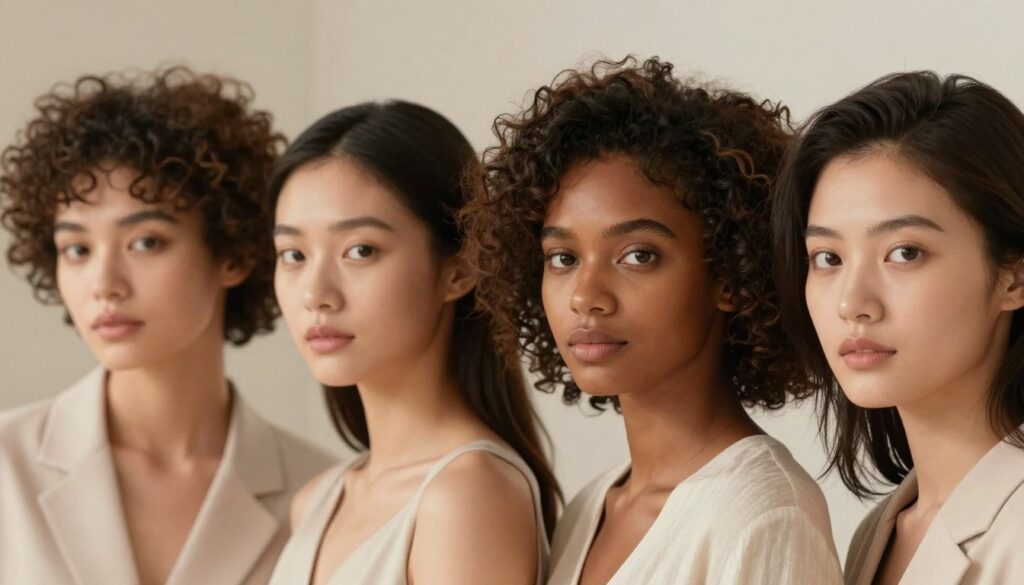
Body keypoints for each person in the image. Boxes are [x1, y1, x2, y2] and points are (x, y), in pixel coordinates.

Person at [462, 56, 842, 585]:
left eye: (637, 255)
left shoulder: (763, 515)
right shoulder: (590, 508)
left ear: (730, 273)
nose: (585, 297)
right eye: (563, 259)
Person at [0, 68, 335, 585]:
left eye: (146, 242)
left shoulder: (321, 491)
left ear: (233, 253)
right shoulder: (7, 465)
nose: (104, 283)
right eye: (77, 249)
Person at [267, 101, 559, 585]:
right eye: (293, 254)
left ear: (459, 268)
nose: (315, 294)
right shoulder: (317, 500)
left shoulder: (468, 495)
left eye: (360, 250)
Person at [773, 71, 1024, 585]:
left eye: (904, 253)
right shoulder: (878, 533)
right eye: (827, 257)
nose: (852, 303)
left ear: (1014, 275)